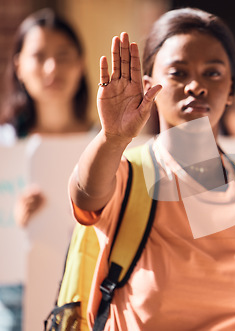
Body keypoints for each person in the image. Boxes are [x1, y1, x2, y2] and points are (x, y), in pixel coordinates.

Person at [69, 7, 235, 330]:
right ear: (147, 84)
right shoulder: (126, 175)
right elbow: (85, 196)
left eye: (212, 73)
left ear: (232, 89)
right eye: (178, 73)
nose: (195, 85)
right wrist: (112, 138)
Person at [0, 8, 91, 331]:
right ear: (19, 66)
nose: (52, 67)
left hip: (92, 303)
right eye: (39, 56)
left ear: (81, 63)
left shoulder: (107, 146)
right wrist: (13, 226)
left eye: (64, 55)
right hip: (12, 309)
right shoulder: (3, 150)